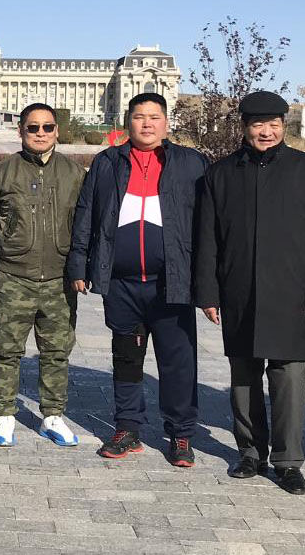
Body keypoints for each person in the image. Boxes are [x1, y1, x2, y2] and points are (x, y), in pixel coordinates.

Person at [194, 91, 305, 495]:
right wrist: (208, 293)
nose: (267, 132)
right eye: (258, 124)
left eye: (274, 124)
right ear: (244, 127)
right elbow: (208, 239)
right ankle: (250, 453)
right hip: (239, 290)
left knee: (289, 379)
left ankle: (288, 461)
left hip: (294, 294)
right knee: (243, 377)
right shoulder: (221, 174)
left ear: (284, 126)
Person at [69, 93, 206, 464]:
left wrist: (208, 280)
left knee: (178, 362)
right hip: (122, 284)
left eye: (154, 117)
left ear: (166, 122)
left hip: (171, 283)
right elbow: (86, 213)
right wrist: (79, 264)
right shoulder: (108, 162)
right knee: (127, 359)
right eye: (140, 116)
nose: (147, 123)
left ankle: (181, 434)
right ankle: (127, 428)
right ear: (127, 121)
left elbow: (207, 224)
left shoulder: (190, 163)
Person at [0, 103, 85, 447]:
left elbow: (84, 225)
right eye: (33, 127)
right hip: (13, 277)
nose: (40, 133)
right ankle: (4, 414)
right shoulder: (2, 173)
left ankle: (52, 415)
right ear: (21, 131)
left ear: (57, 131)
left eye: (47, 127)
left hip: (59, 279)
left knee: (57, 350)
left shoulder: (74, 173)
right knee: (6, 349)